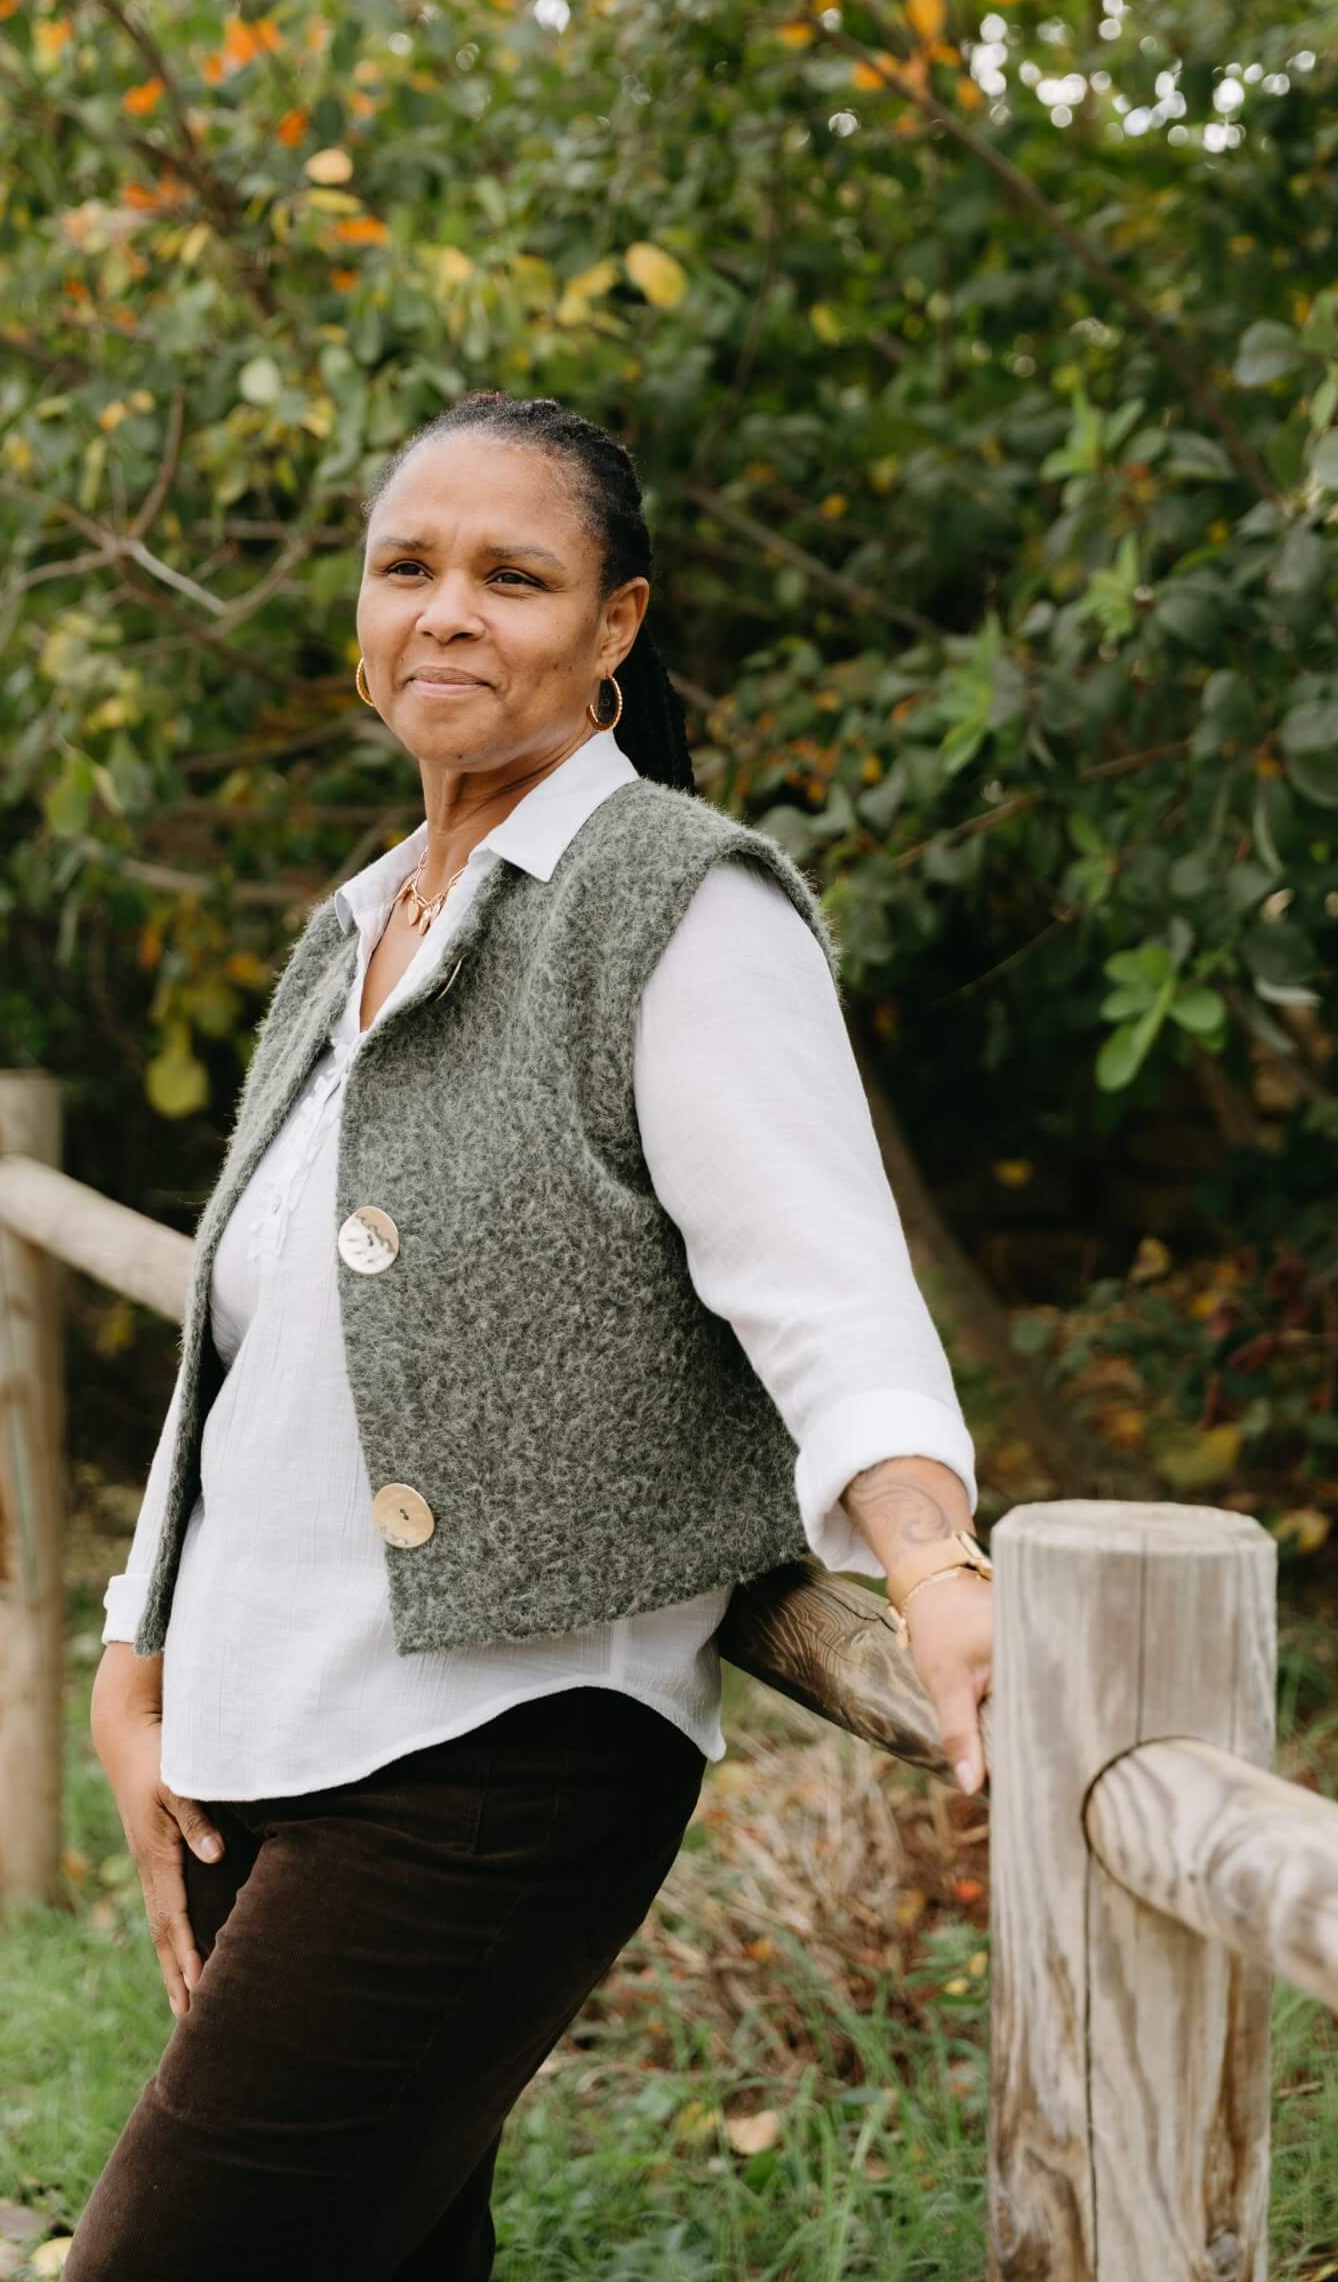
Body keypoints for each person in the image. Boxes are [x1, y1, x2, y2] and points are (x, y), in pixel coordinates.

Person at [67, 392, 993, 2279]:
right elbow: (244, 1335)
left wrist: (934, 1547)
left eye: (516, 575)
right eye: (409, 568)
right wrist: (137, 1641)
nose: (450, 614)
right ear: (358, 616)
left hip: (496, 1754)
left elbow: (824, 1284)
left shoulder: (680, 909)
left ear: (618, 624)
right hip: (270, 1725)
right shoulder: (355, 928)